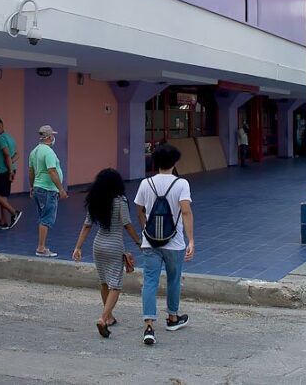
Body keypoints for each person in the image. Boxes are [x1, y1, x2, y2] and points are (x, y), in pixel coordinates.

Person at [134, 144, 194, 346]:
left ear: (155, 162)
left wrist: (145, 230)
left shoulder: (145, 183)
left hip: (150, 241)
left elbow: (140, 210)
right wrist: (191, 239)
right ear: (175, 162)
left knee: (150, 280)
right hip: (174, 242)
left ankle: (149, 325)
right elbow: (185, 211)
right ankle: (172, 318)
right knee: (174, 280)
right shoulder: (181, 184)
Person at [72, 168, 140, 337]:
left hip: (98, 245)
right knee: (115, 285)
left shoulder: (95, 200)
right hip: (115, 245)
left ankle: (109, 317)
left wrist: (78, 247)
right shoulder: (120, 201)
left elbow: (87, 225)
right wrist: (138, 242)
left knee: (104, 283)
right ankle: (103, 318)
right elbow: (127, 224)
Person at [29, 125, 67, 257]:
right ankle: (41, 248)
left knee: (42, 216)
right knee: (47, 218)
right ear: (50, 137)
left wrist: (32, 187)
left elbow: (31, 171)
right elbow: (52, 171)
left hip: (39, 188)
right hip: (48, 189)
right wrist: (61, 189)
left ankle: (42, 245)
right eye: (53, 135)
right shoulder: (49, 152)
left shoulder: (34, 151)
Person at [0, 117, 22, 230]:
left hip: (3, 171)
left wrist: (10, 171)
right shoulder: (10, 137)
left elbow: (7, 155)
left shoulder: (1, 139)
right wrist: (11, 166)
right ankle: (3, 222)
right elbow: (17, 154)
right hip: (7, 169)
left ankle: (14, 213)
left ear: (0, 126)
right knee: (3, 195)